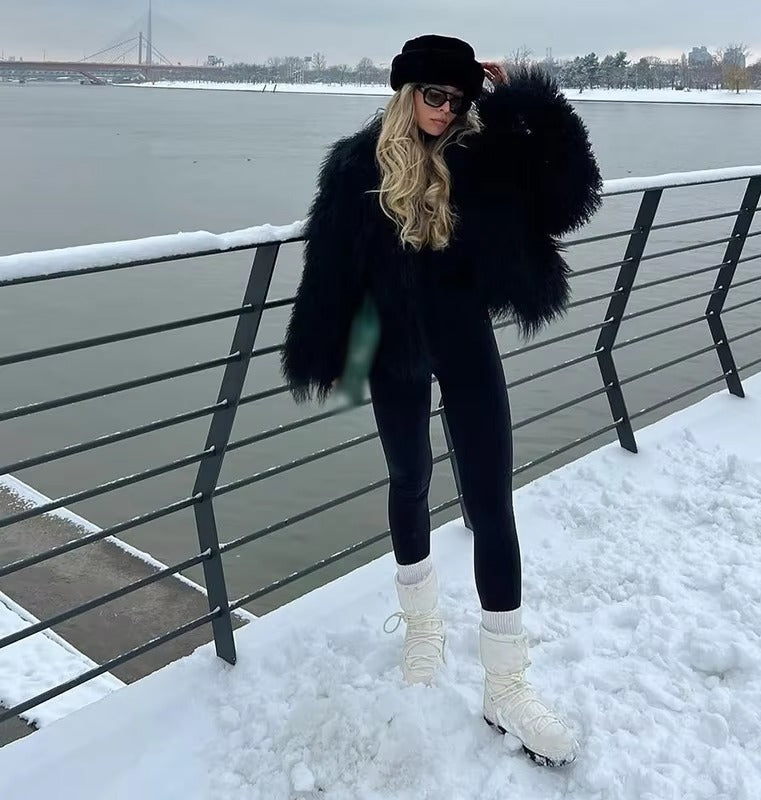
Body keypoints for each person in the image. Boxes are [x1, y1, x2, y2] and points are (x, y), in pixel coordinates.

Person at [281, 34, 602, 768]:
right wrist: (323, 348)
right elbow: (329, 265)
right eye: (434, 95)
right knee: (410, 478)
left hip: (464, 339)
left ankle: (506, 684)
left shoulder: (483, 154)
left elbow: (570, 196)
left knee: (492, 500)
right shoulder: (357, 166)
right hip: (392, 349)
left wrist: (529, 100)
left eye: (459, 99)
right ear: (406, 92)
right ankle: (423, 628)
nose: (446, 109)